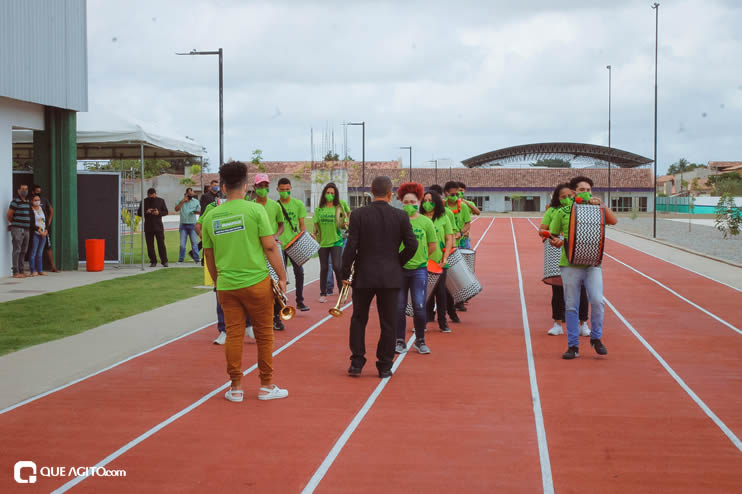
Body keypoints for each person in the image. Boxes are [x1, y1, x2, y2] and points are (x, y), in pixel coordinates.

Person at [202, 161, 289, 402]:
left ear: (222, 185)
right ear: (246, 184)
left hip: (228, 286)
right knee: (264, 334)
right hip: (257, 283)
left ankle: (236, 387)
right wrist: (282, 277)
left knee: (233, 334)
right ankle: (266, 386)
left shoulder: (212, 215)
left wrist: (219, 282)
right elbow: (270, 246)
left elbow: (208, 255)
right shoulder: (256, 211)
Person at [342, 176, 417, 378]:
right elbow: (413, 246)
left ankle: (357, 363)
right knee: (388, 322)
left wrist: (344, 272)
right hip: (390, 277)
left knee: (358, 319)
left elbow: (350, 247)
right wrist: (397, 262)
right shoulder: (401, 216)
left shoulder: (358, 214)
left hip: (364, 275)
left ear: (371, 192)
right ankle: (384, 366)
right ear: (391, 194)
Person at [549, 176, 617, 360]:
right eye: (581, 189)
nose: (586, 192)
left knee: (597, 300)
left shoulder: (597, 208)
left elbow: (613, 221)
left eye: (589, 189)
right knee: (571, 305)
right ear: (573, 193)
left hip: (592, 263)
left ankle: (596, 338)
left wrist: (601, 204)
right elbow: (552, 235)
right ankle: (573, 345)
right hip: (570, 264)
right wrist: (555, 241)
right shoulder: (563, 212)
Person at [538, 184, 591, 337]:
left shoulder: (581, 209)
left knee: (581, 290)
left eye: (570, 196)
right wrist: (552, 236)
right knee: (558, 290)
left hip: (578, 253)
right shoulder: (552, 211)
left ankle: (583, 324)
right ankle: (557, 324)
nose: (567, 199)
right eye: (563, 197)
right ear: (557, 198)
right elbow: (542, 229)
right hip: (556, 253)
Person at [395, 183, 438, 355]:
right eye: (406, 202)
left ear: (418, 202)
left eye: (413, 201)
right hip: (400, 269)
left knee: (420, 306)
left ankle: (420, 340)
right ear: (401, 203)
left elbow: (432, 246)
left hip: (419, 270)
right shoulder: (397, 220)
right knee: (399, 307)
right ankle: (399, 341)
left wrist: (421, 257)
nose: (409, 205)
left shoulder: (426, 222)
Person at [253, 174, 287, 331]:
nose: (262, 189)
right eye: (259, 186)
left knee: (277, 284)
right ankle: (259, 318)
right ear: (255, 188)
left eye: (265, 186)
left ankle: (277, 317)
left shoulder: (275, 206)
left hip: (272, 247)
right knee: (260, 285)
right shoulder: (251, 206)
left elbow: (281, 225)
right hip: (256, 250)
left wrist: (276, 235)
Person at [423, 189, 454, 333]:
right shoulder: (419, 218)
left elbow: (449, 238)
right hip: (423, 261)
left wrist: (445, 256)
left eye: (430, 201)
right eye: (425, 201)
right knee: (423, 292)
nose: (427, 204)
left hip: (440, 261)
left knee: (440, 293)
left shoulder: (443, 217)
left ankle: (443, 322)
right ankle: (423, 321)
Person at [277, 177, 310, 312]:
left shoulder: (298, 204)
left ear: (291, 189)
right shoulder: (275, 206)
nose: (285, 192)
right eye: (282, 190)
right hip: (279, 245)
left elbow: (302, 225)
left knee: (299, 272)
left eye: (287, 190)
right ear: (277, 190)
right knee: (280, 276)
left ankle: (300, 300)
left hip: (294, 244)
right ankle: (281, 302)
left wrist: (304, 241)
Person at [430, 184, 461, 323]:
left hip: (443, 257)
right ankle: (429, 316)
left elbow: (452, 234)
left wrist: (449, 252)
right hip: (427, 260)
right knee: (428, 291)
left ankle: (451, 313)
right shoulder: (421, 216)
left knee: (445, 289)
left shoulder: (446, 213)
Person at [313, 182, 348, 303]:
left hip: (336, 241)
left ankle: (342, 292)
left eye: (332, 193)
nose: (329, 195)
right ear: (324, 194)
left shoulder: (338, 208)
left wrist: (346, 224)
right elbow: (316, 226)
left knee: (337, 267)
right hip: (322, 243)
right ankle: (323, 293)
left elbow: (343, 222)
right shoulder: (319, 209)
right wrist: (314, 235)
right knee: (324, 268)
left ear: (335, 194)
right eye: (327, 193)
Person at [444, 181, 471, 312]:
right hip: (445, 244)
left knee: (459, 272)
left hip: (461, 242)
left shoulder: (464, 207)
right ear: (446, 194)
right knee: (447, 273)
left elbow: (467, 224)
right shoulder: (442, 206)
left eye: (457, 194)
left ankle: (460, 301)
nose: (455, 196)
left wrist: (460, 233)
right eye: (452, 194)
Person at [31, 184, 60, 272]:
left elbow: (51, 210)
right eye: (37, 192)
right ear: (33, 192)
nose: (38, 199)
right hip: (35, 230)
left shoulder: (44, 200)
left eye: (40, 192)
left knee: (47, 247)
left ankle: (52, 266)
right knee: (33, 250)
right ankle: (33, 270)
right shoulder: (30, 202)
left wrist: (48, 224)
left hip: (44, 229)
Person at [137, 188, 169, 267]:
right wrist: (146, 212)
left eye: (153, 195)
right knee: (150, 245)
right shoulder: (144, 201)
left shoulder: (161, 201)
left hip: (158, 226)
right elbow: (139, 213)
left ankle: (164, 261)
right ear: (148, 195)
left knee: (161, 244)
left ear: (155, 194)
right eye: (150, 195)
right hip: (148, 226)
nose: (151, 197)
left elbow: (166, 212)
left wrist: (158, 213)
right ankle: (153, 261)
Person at [326, 196, 351, 295]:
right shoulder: (325, 206)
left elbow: (349, 213)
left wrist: (347, 221)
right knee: (329, 264)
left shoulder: (342, 203)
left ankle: (343, 287)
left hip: (343, 237)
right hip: (329, 239)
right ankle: (329, 288)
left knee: (341, 263)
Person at [7, 184, 32, 278]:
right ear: (18, 191)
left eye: (26, 189)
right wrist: (15, 224)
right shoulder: (15, 202)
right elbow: (9, 215)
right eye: (23, 189)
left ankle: (22, 271)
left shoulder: (28, 202)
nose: (25, 191)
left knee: (24, 251)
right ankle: (15, 272)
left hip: (26, 229)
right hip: (17, 228)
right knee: (17, 250)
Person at [175, 187, 201, 264]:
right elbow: (176, 209)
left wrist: (195, 212)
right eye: (189, 194)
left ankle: (197, 259)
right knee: (182, 244)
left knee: (194, 243)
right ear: (186, 194)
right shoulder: (180, 200)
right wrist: (182, 201)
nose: (190, 195)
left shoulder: (196, 201)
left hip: (192, 224)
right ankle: (181, 259)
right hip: (183, 225)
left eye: (191, 194)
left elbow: (199, 211)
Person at [28, 193, 48, 276]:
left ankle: (40, 270)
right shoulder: (30, 210)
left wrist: (46, 231)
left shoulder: (42, 208)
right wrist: (39, 230)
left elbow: (45, 220)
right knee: (33, 252)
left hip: (44, 233)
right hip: (35, 233)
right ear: (31, 201)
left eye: (38, 200)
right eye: (35, 200)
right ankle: (33, 270)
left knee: (40, 253)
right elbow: (31, 223)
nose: (37, 201)